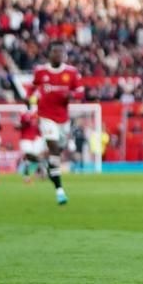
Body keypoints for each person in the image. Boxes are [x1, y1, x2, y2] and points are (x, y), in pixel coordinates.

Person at [32, 42, 84, 204]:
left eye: (61, 52)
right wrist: (32, 99)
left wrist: (72, 95)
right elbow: (33, 88)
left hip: (63, 118)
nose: (58, 55)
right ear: (50, 54)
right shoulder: (41, 71)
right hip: (46, 116)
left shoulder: (71, 72)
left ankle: (50, 168)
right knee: (54, 148)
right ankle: (60, 191)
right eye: (55, 52)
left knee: (58, 152)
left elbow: (80, 92)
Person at [17, 97, 43, 183]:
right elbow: (18, 126)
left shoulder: (37, 112)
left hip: (36, 138)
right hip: (25, 138)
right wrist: (24, 124)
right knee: (28, 155)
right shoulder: (22, 112)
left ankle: (32, 173)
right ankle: (40, 168)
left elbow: (40, 125)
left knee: (31, 157)